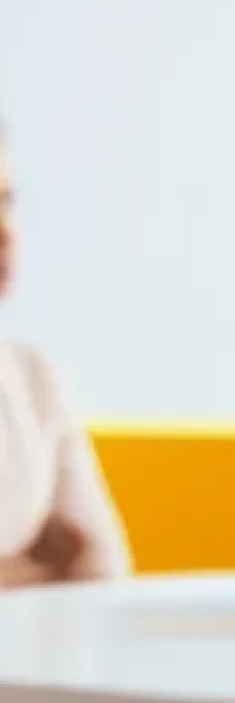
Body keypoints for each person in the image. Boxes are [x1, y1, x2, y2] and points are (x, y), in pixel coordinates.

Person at [0, 130, 130, 590]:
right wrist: (38, 563)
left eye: (7, 201)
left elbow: (98, 565)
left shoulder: (32, 377)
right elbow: (66, 563)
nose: (5, 231)